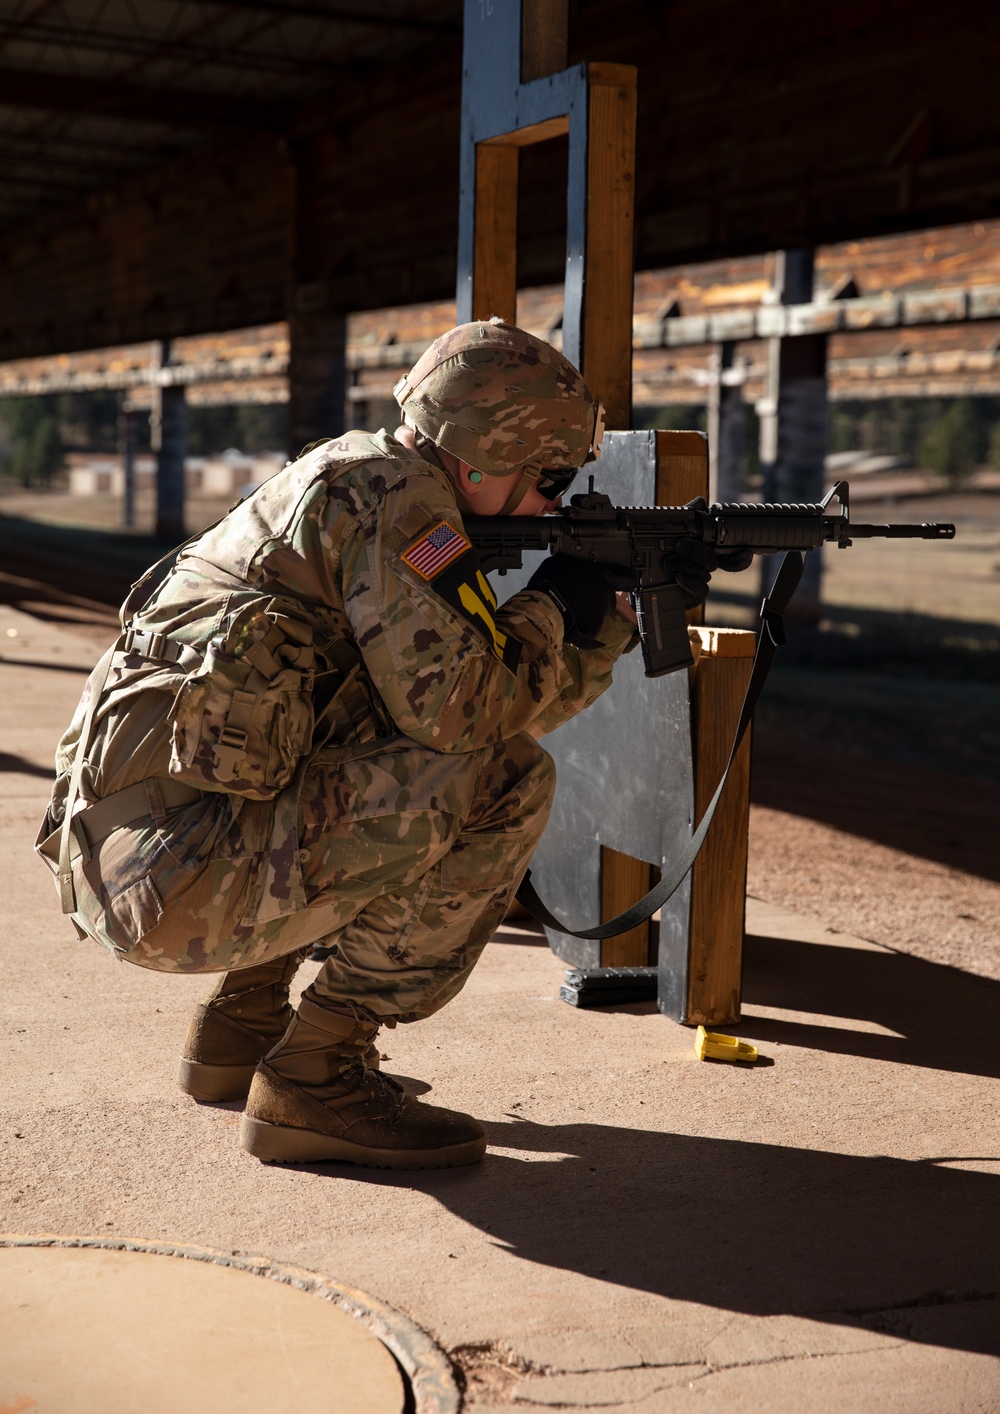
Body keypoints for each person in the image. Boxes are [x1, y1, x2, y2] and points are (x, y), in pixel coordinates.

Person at [37, 318, 693, 1172]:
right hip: (174, 882)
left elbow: (419, 703)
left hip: (135, 851)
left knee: (375, 743)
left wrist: (570, 617)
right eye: (550, 477)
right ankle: (317, 1073)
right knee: (502, 779)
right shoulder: (397, 503)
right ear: (480, 458)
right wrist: (569, 613)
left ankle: (242, 1032)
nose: (554, 504)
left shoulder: (352, 472)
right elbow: (467, 716)